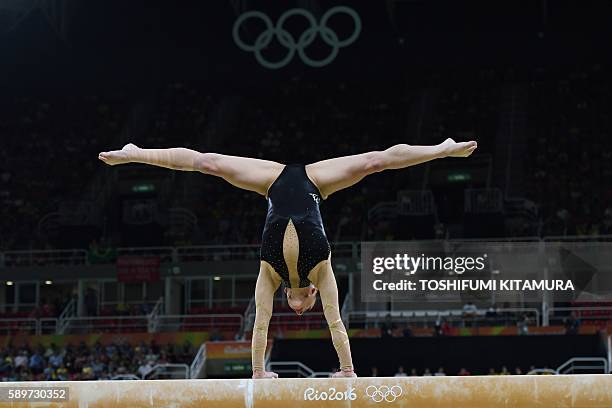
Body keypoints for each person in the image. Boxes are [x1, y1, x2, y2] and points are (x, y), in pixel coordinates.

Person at [99, 138, 477, 379]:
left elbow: (261, 325)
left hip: (272, 182)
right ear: (311, 295)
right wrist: (347, 370)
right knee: (373, 162)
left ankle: (441, 148)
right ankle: (138, 154)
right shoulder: (322, 273)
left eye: (295, 308)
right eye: (305, 307)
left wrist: (258, 373)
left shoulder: (270, 273)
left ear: (289, 297)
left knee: (210, 163)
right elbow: (336, 322)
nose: (299, 309)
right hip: (316, 181)